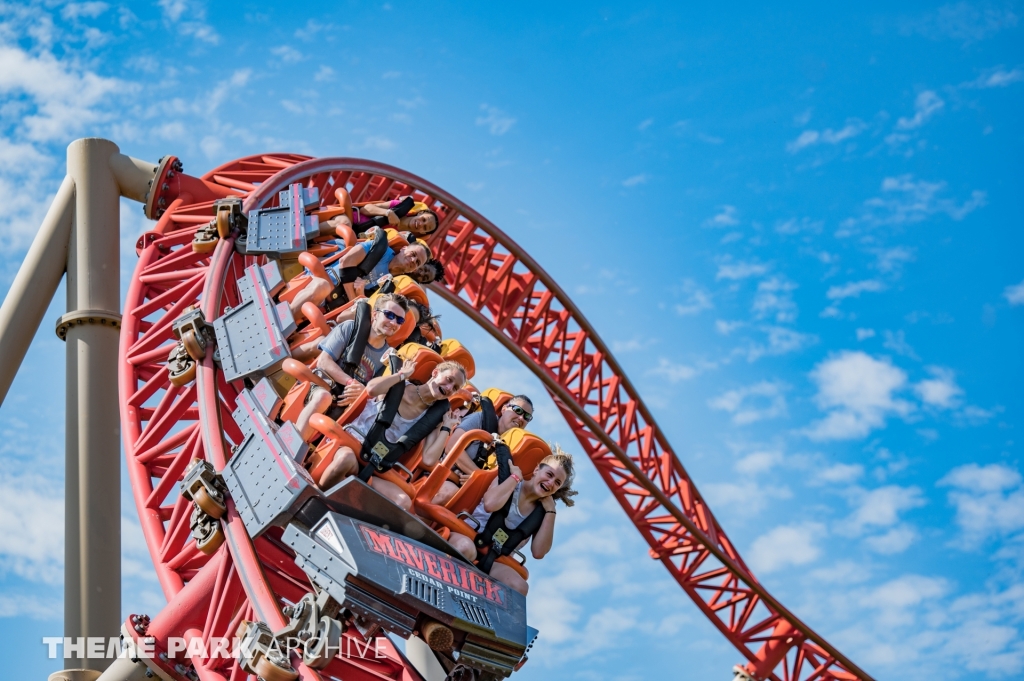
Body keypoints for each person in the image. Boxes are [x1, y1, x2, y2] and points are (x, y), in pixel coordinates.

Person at [317, 359, 468, 510]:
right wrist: (401, 375)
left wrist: (447, 427)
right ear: (435, 373)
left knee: (403, 502)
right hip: (351, 445)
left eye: (454, 388)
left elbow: (429, 460)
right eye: (449, 380)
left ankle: (344, 519)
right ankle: (315, 503)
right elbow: (371, 389)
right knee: (345, 459)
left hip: (375, 465)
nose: (448, 388)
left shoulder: (434, 417)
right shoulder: (398, 385)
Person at [446, 447, 577, 596]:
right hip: (469, 536)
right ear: (536, 471)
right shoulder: (508, 479)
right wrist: (514, 478)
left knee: (520, 587)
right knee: (465, 548)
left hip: (493, 556)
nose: (550, 482)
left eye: (557, 482)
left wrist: (551, 512)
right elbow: (490, 505)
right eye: (549, 474)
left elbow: (538, 552)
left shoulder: (542, 513)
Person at [292, 293, 408, 440]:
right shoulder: (350, 328)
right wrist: (351, 383)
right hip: (322, 385)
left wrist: (363, 393)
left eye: (400, 320)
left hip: (348, 407)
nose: (393, 322)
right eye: (389, 315)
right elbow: (324, 361)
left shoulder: (388, 359)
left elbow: (376, 398)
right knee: (323, 397)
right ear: (375, 314)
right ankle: (293, 444)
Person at [286, 237, 430, 318]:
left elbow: (369, 303)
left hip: (338, 306)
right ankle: (283, 325)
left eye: (417, 262)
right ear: (404, 248)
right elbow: (346, 262)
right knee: (322, 288)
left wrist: (359, 296)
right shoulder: (379, 248)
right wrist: (354, 297)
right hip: (327, 279)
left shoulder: (393, 284)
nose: (412, 260)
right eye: (413, 254)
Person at [431, 394, 534, 505]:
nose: (521, 418)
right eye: (518, 410)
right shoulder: (480, 419)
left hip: (472, 492)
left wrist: (478, 481)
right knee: (449, 494)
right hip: (443, 473)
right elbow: (452, 446)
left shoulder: (511, 449)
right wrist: (478, 476)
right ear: (504, 409)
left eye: (527, 417)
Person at [326, 190, 441, 238]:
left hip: (352, 240)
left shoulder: (402, 238)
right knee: (344, 224)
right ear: (420, 213)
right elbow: (365, 209)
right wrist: (387, 213)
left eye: (425, 227)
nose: (421, 223)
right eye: (424, 219)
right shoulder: (398, 207)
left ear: (422, 232)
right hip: (350, 218)